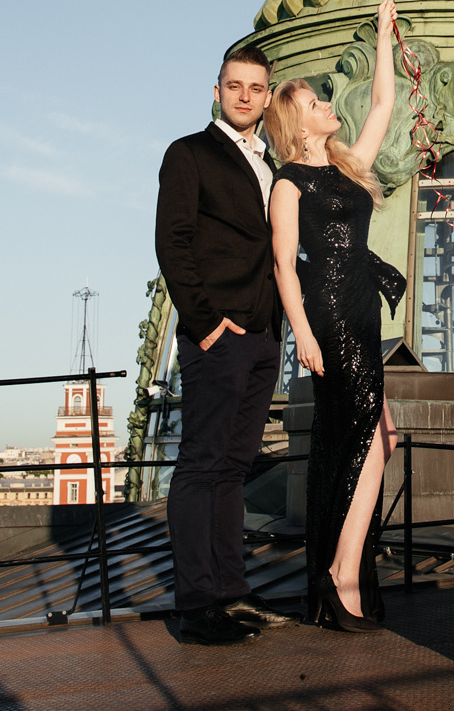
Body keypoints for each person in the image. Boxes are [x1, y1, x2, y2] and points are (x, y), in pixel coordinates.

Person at [263, 0, 407, 631]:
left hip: (363, 311)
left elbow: (382, 105)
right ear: (297, 122)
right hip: (329, 316)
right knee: (367, 444)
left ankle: (344, 572)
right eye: (314, 102)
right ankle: (341, 575)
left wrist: (383, 33)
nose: (327, 104)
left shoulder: (348, 168)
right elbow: (283, 264)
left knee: (375, 438)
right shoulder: (288, 181)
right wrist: (302, 336)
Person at [155, 42, 297, 646]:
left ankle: (230, 590)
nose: (245, 97)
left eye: (256, 88)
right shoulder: (188, 154)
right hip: (219, 334)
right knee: (200, 465)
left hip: (265, 334)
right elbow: (173, 243)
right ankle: (196, 604)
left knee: (233, 468)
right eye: (234, 86)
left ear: (267, 97)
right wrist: (208, 322)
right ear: (217, 90)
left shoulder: (274, 162)